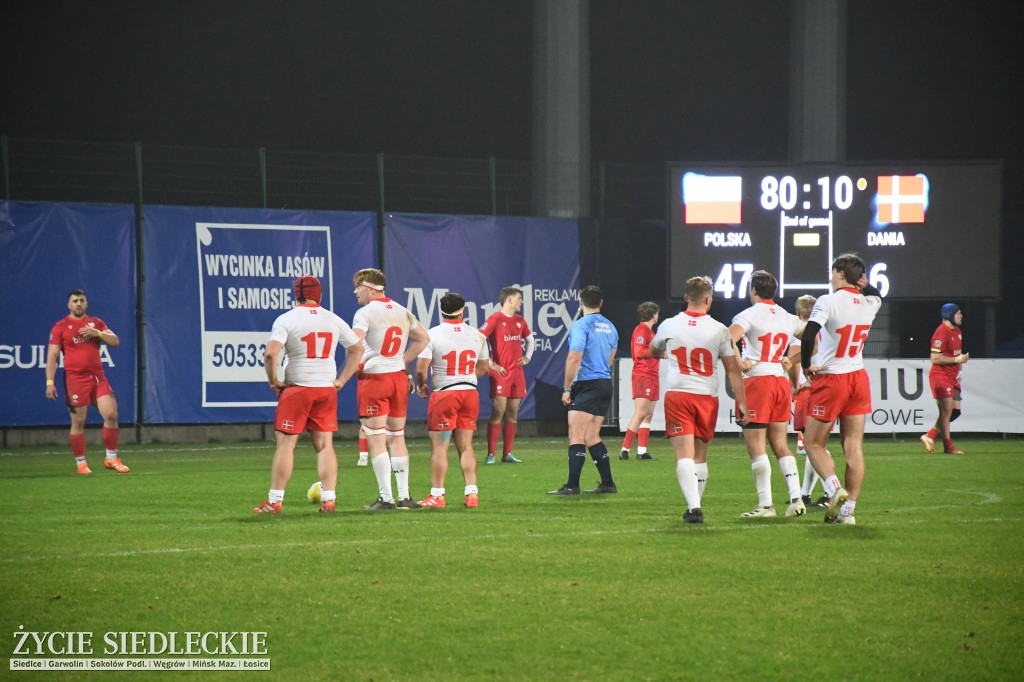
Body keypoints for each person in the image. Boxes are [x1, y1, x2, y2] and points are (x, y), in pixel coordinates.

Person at [252, 276, 364, 513]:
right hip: (325, 388)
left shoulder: (287, 319)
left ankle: (274, 501)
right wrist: (342, 379)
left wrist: (274, 381)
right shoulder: (332, 319)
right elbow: (357, 349)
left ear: (297, 295)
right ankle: (329, 499)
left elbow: (271, 354)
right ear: (319, 294)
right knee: (324, 446)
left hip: (297, 388)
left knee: (286, 446)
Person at [650, 276, 748, 524]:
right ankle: (695, 506)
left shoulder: (669, 325)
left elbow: (653, 349)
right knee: (700, 455)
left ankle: (694, 508)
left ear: (685, 298)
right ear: (708, 299)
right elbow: (733, 371)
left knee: (683, 454)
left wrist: (663, 350)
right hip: (707, 397)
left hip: (679, 393)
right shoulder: (719, 329)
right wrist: (742, 402)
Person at [800, 253, 883, 525]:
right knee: (853, 446)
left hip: (831, 377)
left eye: (833, 272)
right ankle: (849, 514)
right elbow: (876, 293)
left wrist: (805, 364)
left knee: (813, 443)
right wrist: (864, 282)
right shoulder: (870, 302)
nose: (830, 277)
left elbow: (810, 333)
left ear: (841, 274)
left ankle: (835, 489)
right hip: (857, 376)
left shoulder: (827, 300)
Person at [729, 270, 806, 518]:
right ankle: (796, 499)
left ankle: (765, 506)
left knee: (756, 447)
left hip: (757, 382)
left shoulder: (748, 314)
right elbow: (814, 339)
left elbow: (729, 339)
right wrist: (792, 359)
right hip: (779, 381)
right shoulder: (787, 316)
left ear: (753, 290)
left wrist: (740, 363)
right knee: (781, 444)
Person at [352, 268, 431, 509]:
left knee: (376, 439)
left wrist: (353, 366)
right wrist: (404, 361)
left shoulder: (365, 312)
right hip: (397, 377)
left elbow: (354, 344)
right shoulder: (402, 310)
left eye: (358, 287)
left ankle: (386, 498)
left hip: (375, 378)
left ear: (370, 287)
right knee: (397, 437)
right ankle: (405, 497)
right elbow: (423, 338)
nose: (355, 291)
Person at [414, 293, 490, 508]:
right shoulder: (477, 335)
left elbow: (421, 370)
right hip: (469, 393)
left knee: (440, 446)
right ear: (463, 310)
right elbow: (483, 367)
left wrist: (421, 385)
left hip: (445, 395)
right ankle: (471, 493)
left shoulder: (432, 335)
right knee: (465, 445)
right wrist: (466, 380)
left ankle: (437, 496)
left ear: (441, 310)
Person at [45, 289, 129, 475]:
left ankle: (112, 458)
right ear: (69, 305)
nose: (78, 304)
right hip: (75, 379)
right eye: (75, 301)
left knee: (112, 415)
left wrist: (97, 333)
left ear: (86, 304)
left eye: (82, 300)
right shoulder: (60, 326)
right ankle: (81, 463)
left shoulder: (96, 323)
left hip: (97, 377)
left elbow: (115, 342)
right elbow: (53, 355)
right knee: (79, 422)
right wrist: (49, 382)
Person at [549, 285, 619, 496]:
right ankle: (607, 483)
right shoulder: (611, 326)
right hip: (605, 383)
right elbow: (610, 358)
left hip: (587, 384)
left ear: (580, 303)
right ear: (601, 303)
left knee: (576, 435)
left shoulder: (581, 325)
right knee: (591, 436)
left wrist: (567, 387)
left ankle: (572, 485)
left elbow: (574, 357)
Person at [480, 286, 535, 464]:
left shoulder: (520, 320)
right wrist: (490, 364)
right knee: (498, 411)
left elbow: (530, 340)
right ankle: (491, 454)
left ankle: (507, 454)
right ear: (509, 300)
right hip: (501, 373)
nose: (522, 302)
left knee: (513, 412)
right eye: (519, 298)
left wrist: (527, 357)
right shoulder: (495, 319)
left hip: (517, 373)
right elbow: (479, 339)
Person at [787, 294, 828, 508]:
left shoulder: (801, 332)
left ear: (798, 313)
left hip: (807, 389)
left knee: (813, 444)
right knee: (816, 443)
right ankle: (805, 494)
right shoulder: (824, 330)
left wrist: (794, 384)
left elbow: (793, 358)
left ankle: (831, 490)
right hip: (824, 386)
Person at [921, 303, 969, 455]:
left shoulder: (958, 331)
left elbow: (955, 356)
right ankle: (948, 446)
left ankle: (930, 435)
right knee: (946, 411)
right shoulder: (941, 332)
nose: (961, 316)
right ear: (950, 315)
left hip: (953, 377)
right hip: (941, 377)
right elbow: (935, 358)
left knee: (954, 412)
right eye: (958, 313)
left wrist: (958, 368)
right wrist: (957, 360)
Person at [620, 302, 660, 460]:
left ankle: (642, 451)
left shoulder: (649, 331)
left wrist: (659, 353)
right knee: (641, 412)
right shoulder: (641, 330)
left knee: (648, 414)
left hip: (652, 374)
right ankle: (625, 449)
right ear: (652, 314)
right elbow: (639, 352)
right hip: (643, 374)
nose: (658, 316)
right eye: (657, 313)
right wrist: (657, 351)